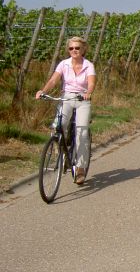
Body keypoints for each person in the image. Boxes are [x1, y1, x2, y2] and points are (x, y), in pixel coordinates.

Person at [35, 36, 96, 185]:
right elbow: (54, 80)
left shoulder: (89, 65)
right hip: (66, 97)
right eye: (71, 48)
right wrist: (43, 91)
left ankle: (80, 169)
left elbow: (91, 82)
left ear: (83, 49)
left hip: (82, 100)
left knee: (81, 133)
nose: (74, 51)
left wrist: (88, 92)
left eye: (77, 48)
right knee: (57, 126)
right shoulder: (64, 64)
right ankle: (60, 153)